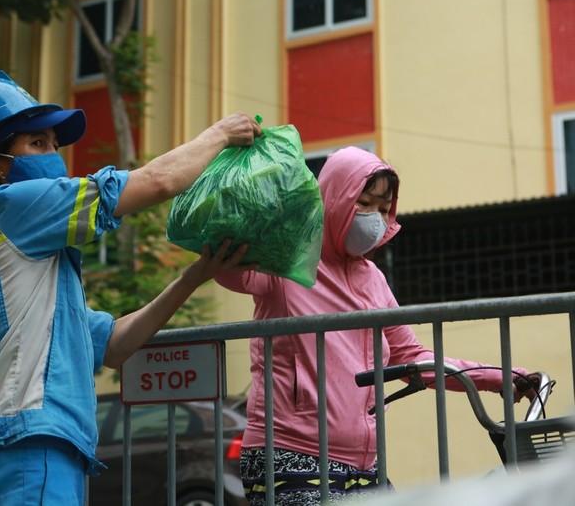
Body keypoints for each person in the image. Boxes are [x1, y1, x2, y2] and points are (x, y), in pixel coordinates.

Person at [0, 70, 261, 505]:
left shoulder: (31, 270)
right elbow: (158, 181)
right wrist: (219, 134)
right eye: (37, 144)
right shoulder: (11, 205)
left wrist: (193, 277)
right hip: (26, 453)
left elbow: (114, 345)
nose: (55, 156)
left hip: (8, 457)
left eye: (53, 144)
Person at [215, 146, 540, 505]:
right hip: (290, 456)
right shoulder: (284, 260)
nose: (375, 218)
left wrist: (500, 377)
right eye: (364, 202)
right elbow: (224, 265)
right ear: (333, 198)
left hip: (365, 464)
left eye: (384, 210)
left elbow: (413, 357)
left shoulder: (373, 279)